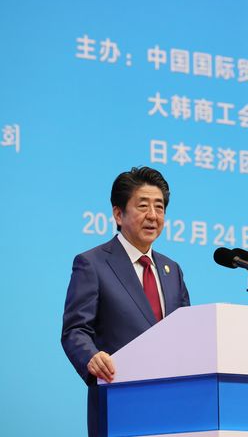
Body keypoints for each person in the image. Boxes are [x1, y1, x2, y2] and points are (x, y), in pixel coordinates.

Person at [61, 167, 190, 437]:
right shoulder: (93, 264)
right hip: (119, 399)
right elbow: (75, 330)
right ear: (118, 214)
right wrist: (91, 357)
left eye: (159, 207)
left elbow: (185, 333)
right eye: (143, 206)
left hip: (174, 405)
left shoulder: (172, 270)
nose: (153, 216)